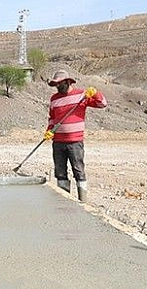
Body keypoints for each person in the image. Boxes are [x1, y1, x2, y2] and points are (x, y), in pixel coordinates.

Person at [43, 70, 107, 202]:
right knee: (60, 173)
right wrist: (49, 131)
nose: (57, 87)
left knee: (78, 170)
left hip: (75, 142)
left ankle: (82, 201)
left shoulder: (81, 95)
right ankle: (64, 202)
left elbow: (102, 104)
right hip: (58, 142)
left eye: (59, 84)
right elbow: (52, 118)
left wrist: (95, 94)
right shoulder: (54, 99)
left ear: (67, 82)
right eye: (55, 84)